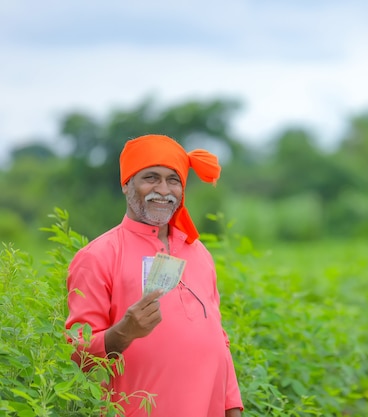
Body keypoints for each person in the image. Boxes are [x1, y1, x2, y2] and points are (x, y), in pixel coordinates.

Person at [65, 134, 243, 417]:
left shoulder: (198, 253)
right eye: (151, 177)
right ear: (126, 184)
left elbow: (218, 341)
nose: (163, 189)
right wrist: (123, 333)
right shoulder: (98, 256)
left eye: (173, 180)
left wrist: (232, 407)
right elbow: (75, 355)